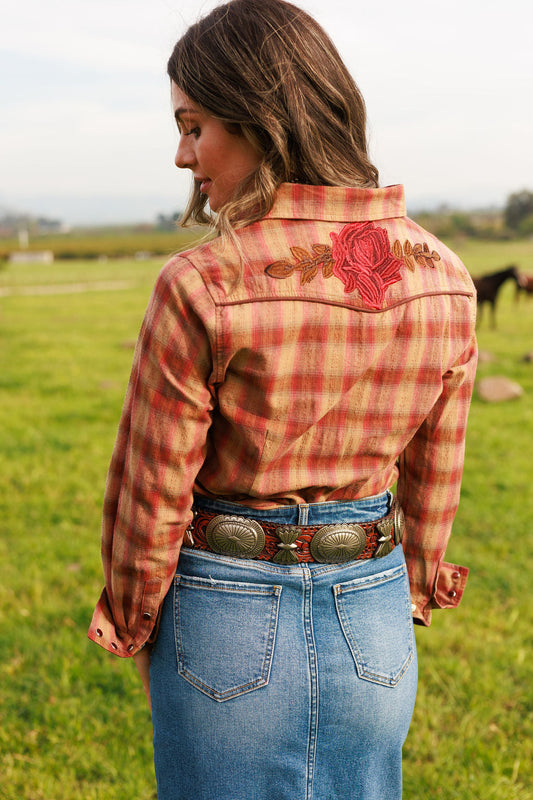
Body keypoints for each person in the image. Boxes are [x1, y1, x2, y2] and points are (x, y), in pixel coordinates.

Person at [88, 1, 477, 798]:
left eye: (194, 126)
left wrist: (133, 626)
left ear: (258, 117)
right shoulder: (445, 276)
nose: (181, 154)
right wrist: (408, 590)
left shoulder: (203, 283)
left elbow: (151, 488)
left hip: (224, 619)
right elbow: (434, 481)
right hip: (373, 617)